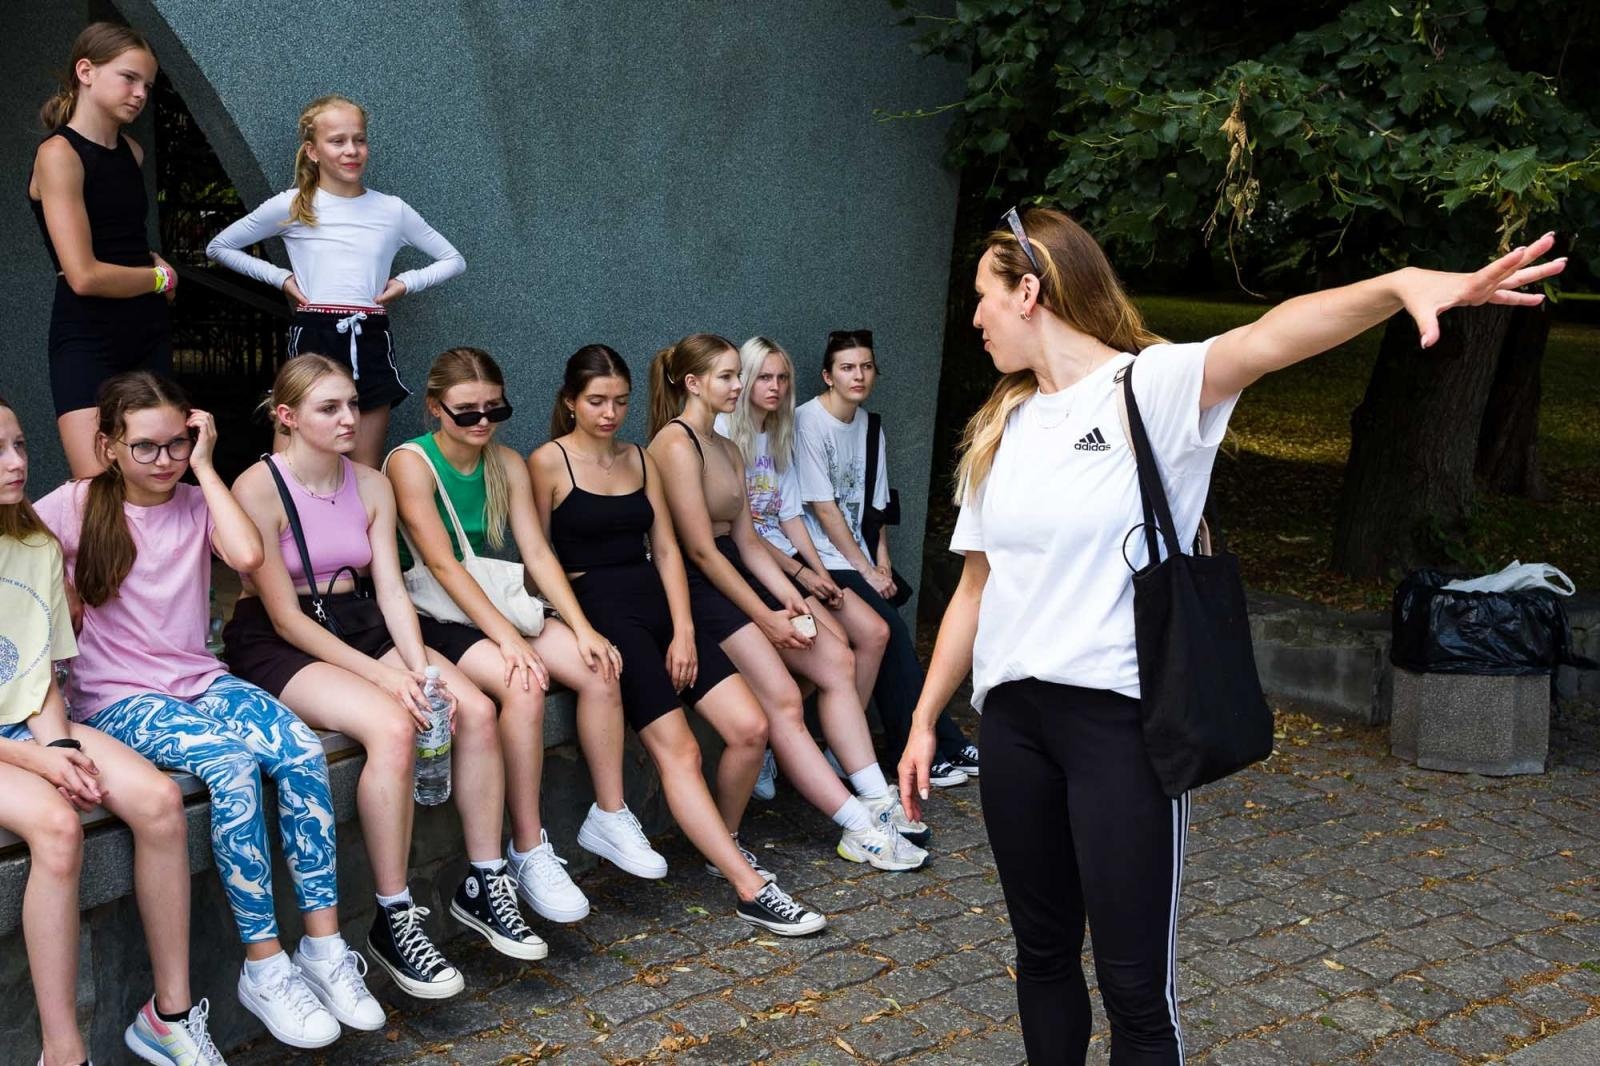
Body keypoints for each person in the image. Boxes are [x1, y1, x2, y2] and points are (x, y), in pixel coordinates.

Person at [896, 205, 1566, 1065]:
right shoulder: (1004, 429)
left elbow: (1274, 334)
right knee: (1041, 956)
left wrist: (1398, 287)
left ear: (1030, 292)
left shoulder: (1153, 388)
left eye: (984, 299)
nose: (976, 319)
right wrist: (923, 719)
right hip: (1015, 728)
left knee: (1135, 989)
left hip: (1122, 730)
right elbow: (976, 589)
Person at [33, 373, 377, 1053]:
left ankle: (322, 945)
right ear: (106, 447)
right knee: (232, 764)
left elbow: (249, 556)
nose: (163, 461)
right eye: (146, 448)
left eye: (176, 444)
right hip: (117, 697)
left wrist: (207, 465)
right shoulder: (75, 505)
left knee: (302, 749)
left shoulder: (196, 500)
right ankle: (262, 963)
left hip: (200, 678)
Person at [227, 354, 544, 1001]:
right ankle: (394, 915)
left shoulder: (370, 482)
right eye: (329, 408)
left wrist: (422, 667)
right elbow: (286, 618)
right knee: (393, 728)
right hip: (279, 636)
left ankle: (484, 881)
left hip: (359, 618)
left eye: (351, 403)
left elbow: (394, 593)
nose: (349, 418)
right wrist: (383, 676)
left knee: (475, 709)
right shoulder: (257, 487)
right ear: (286, 417)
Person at [529, 344, 827, 934]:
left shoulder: (641, 458)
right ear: (570, 402)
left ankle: (724, 843)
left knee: (750, 729)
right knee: (681, 752)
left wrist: (685, 629)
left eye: (619, 401)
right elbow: (539, 556)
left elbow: (666, 549)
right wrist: (580, 629)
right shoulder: (548, 463)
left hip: (660, 606)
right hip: (602, 610)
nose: (609, 412)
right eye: (595, 401)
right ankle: (750, 887)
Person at [386, 346, 662, 925]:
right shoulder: (411, 463)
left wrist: (582, 628)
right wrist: (509, 640)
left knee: (600, 665)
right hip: (442, 616)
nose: (482, 422)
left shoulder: (506, 462)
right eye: (466, 412)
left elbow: (535, 550)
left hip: (501, 607)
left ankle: (609, 815)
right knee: (524, 684)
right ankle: (528, 848)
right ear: (435, 408)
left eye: (495, 409)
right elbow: (442, 565)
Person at [1, 394, 224, 1066]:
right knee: (59, 826)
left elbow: (38, 672)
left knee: (157, 802)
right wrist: (40, 762)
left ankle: (170, 1015)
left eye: (18, 445)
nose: (15, 462)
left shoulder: (32, 538)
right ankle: (62, 1050)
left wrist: (60, 743)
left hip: (26, 717)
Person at [649, 334, 927, 871]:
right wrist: (768, 618)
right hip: (695, 585)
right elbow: (701, 552)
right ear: (692, 384)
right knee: (781, 698)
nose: (740, 386)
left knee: (834, 658)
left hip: (738, 572)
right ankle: (854, 825)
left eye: (738, 375)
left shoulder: (728, 447)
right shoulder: (675, 444)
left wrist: (793, 601)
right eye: (729, 377)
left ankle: (874, 797)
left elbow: (749, 541)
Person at [205, 95, 464, 467]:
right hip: (315, 334)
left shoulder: (392, 210)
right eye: (337, 141)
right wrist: (282, 279)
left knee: (363, 467)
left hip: (370, 335)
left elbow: (453, 259)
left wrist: (405, 283)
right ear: (312, 151)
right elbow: (220, 246)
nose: (352, 150)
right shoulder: (292, 205)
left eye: (359, 140)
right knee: (292, 465)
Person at [794, 329, 978, 785]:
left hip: (856, 557)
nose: (858, 375)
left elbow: (875, 512)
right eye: (847, 367)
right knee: (889, 630)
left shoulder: (870, 426)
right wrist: (863, 569)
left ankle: (924, 743)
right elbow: (823, 507)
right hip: (821, 557)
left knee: (890, 631)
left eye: (866, 366)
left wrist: (883, 566)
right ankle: (920, 745)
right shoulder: (806, 423)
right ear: (827, 375)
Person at [718, 336, 891, 799]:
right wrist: (803, 576)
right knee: (835, 653)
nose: (774, 387)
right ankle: (796, 743)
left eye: (782, 378)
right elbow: (745, 532)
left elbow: (790, 515)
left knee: (872, 633)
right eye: (764, 377)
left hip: (788, 558)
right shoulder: (723, 434)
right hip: (750, 564)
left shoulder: (777, 433)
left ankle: (838, 745)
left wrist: (821, 573)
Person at [28, 23, 176, 479]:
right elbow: (84, 275)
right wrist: (159, 278)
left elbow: (121, 235)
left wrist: (153, 259)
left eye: (147, 85)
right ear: (86, 71)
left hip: (147, 330)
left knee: (155, 483)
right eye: (129, 78)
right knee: (98, 488)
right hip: (88, 332)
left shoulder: (132, 152)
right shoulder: (58, 153)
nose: (140, 93)